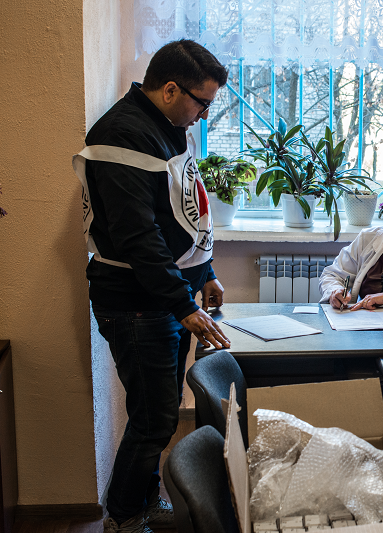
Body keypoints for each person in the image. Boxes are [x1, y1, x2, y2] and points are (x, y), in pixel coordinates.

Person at [74, 39, 231, 533]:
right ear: (170, 90)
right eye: (202, 102)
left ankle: (143, 500)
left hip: (165, 297)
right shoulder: (123, 136)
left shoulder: (166, 127)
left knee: (156, 412)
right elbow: (138, 238)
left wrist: (204, 272)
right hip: (138, 303)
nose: (204, 115)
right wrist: (183, 303)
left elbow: (182, 209)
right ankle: (123, 517)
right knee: (155, 419)